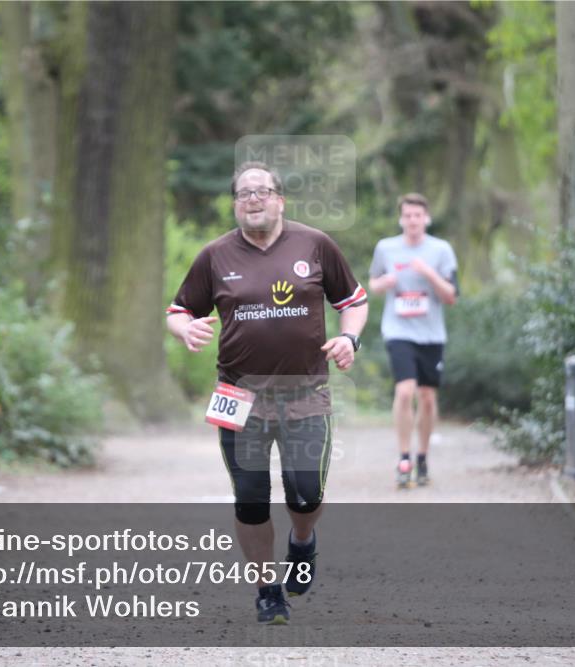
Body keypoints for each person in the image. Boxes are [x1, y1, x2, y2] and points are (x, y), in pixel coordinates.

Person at [166, 161, 368, 624]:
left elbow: (353, 301)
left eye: (262, 191)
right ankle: (266, 590)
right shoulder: (214, 256)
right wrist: (185, 328)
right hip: (238, 394)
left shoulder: (315, 245)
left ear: (280, 199)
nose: (253, 199)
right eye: (243, 193)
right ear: (235, 204)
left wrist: (349, 338)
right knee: (250, 496)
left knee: (306, 492)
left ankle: (302, 542)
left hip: (305, 391)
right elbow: (177, 309)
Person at [368, 193, 458, 488]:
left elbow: (451, 296)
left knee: (428, 399)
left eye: (417, 216)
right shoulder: (386, 248)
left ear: (426, 218)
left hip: (431, 334)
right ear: (401, 219)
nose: (412, 221)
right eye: (407, 215)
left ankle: (422, 457)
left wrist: (428, 273)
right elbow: (373, 283)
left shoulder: (441, 250)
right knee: (405, 391)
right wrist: (385, 283)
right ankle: (404, 457)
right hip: (398, 331)